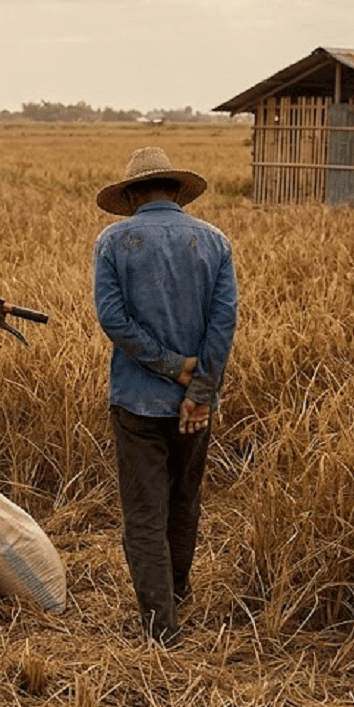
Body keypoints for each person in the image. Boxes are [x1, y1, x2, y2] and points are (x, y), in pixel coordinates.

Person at [91, 146, 238, 646]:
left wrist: (169, 368)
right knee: (184, 500)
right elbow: (223, 323)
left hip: (136, 400)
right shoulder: (215, 242)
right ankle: (176, 592)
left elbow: (114, 320)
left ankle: (161, 627)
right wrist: (198, 387)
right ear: (177, 191)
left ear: (131, 194)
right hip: (197, 403)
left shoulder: (114, 240)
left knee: (144, 514)